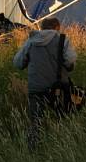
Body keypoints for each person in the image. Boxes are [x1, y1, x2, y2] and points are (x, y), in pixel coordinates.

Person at [13, 17, 77, 149]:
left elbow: (18, 63)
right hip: (58, 87)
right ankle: (63, 148)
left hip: (36, 87)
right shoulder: (62, 40)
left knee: (35, 122)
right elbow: (70, 61)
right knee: (62, 118)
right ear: (57, 28)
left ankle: (33, 150)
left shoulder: (31, 41)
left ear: (41, 28)